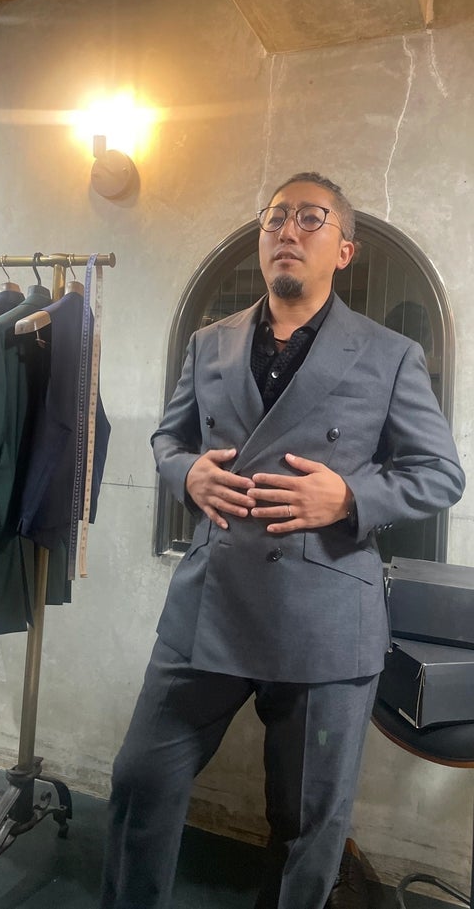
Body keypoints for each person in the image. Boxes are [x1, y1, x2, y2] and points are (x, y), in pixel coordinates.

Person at [99, 172, 465, 909]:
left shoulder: (390, 354)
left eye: (310, 218)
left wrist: (350, 496)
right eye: (274, 218)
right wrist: (186, 473)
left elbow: (440, 474)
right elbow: (169, 438)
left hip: (323, 617)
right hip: (210, 604)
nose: (287, 231)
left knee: (305, 825)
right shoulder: (209, 341)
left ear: (345, 250)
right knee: (141, 780)